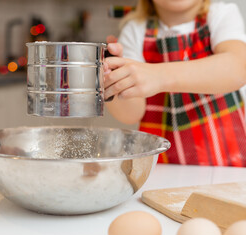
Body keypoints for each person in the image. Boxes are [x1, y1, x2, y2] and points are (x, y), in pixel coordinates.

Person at [105, 0, 246, 166]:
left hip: (230, 163)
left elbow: (237, 68)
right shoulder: (135, 30)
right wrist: (113, 81)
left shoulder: (220, 15)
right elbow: (131, 114)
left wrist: (158, 76)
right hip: (166, 167)